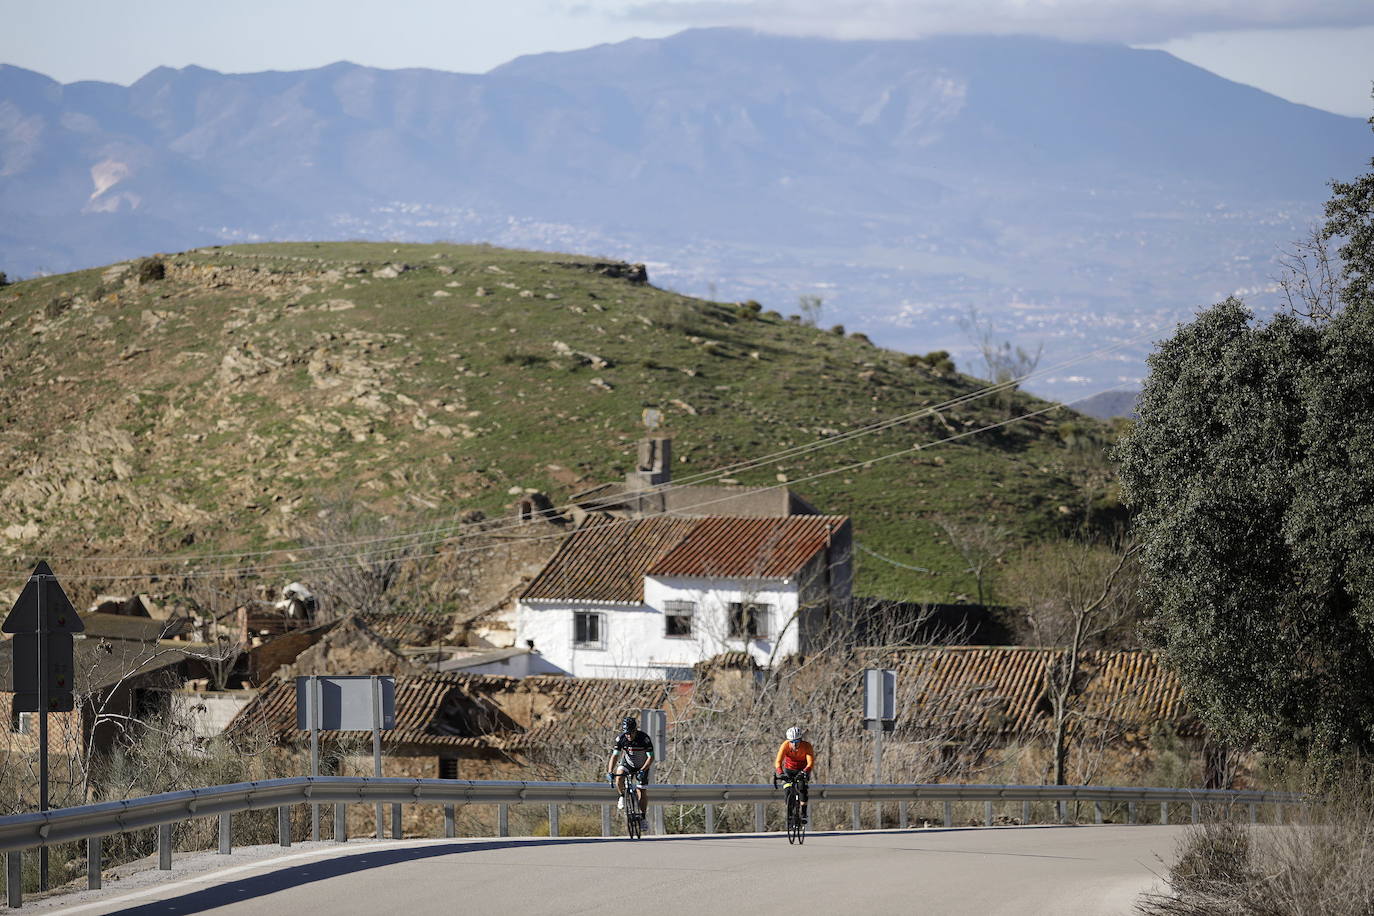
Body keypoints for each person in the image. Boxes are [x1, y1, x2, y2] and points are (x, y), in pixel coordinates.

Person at [607, 716, 654, 822]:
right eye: (626, 733)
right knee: (619, 778)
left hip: (642, 765)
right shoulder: (621, 738)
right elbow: (614, 756)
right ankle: (622, 796)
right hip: (628, 763)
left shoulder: (644, 738)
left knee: (641, 791)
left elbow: (651, 757)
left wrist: (643, 770)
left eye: (631, 733)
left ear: (635, 730)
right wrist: (610, 771)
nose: (628, 736)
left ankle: (642, 818)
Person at [774, 726, 814, 823]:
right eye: (792, 742)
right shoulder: (785, 745)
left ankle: (803, 813)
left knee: (802, 788)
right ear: (789, 741)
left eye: (797, 742)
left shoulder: (807, 746)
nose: (795, 744)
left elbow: (810, 762)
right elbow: (778, 761)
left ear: (801, 740)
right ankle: (790, 813)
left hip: (802, 770)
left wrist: (805, 771)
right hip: (789, 770)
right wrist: (781, 772)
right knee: (787, 790)